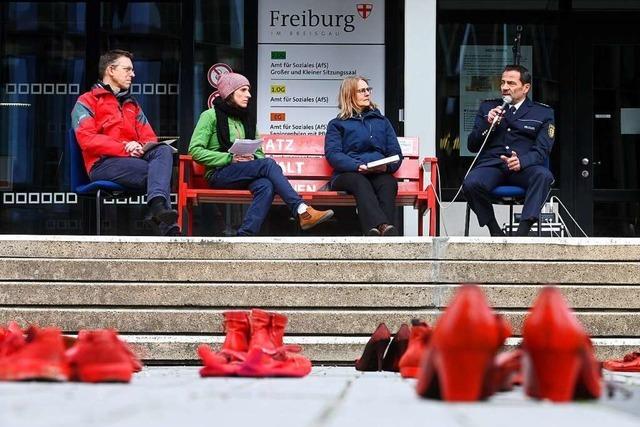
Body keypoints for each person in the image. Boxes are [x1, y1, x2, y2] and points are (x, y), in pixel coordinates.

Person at [188, 72, 334, 236]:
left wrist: (252, 157)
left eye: (248, 90)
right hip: (219, 173)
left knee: (266, 185)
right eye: (243, 90)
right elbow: (195, 151)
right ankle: (301, 209)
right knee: (268, 164)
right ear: (230, 92)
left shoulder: (247, 119)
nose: (248, 95)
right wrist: (229, 158)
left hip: (244, 173)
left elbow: (258, 152)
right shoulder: (210, 116)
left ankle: (245, 235)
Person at [71, 49, 180, 236]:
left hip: (134, 161)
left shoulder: (132, 104)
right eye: (127, 69)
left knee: (163, 151)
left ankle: (157, 208)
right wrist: (125, 148)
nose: (133, 74)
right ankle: (165, 225)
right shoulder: (86, 101)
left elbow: (150, 138)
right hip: (102, 164)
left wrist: (138, 146)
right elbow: (87, 140)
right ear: (111, 70)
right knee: (159, 172)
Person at [463, 64, 555, 236]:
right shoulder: (487, 108)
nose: (505, 87)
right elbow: (472, 146)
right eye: (503, 83)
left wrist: (522, 161)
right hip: (492, 166)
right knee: (471, 182)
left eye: (511, 83)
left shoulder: (542, 113)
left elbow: (543, 149)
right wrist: (487, 124)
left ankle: (522, 233)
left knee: (544, 176)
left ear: (525, 88)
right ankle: (495, 231)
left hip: (523, 168)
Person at [324, 76, 403, 236]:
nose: (367, 93)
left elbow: (396, 153)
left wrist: (387, 166)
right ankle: (384, 227)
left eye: (368, 89)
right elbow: (333, 154)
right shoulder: (337, 124)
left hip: (377, 172)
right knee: (360, 182)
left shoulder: (382, 121)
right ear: (350, 94)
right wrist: (356, 166)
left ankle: (374, 231)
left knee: (389, 183)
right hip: (347, 174)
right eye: (362, 90)